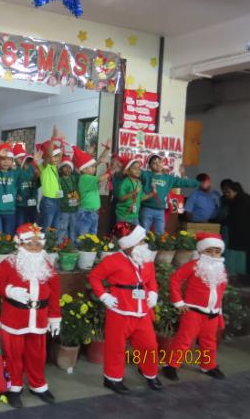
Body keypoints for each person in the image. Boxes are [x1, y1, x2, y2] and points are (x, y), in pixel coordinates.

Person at [0, 223, 61, 408]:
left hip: (39, 319)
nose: (35, 247)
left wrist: (55, 318)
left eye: (38, 243)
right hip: (14, 319)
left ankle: (38, 385)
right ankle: (13, 388)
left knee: (37, 355)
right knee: (12, 356)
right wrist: (10, 291)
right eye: (30, 243)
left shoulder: (47, 264)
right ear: (20, 244)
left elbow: (54, 293)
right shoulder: (9, 263)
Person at [89, 222, 162, 394]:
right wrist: (104, 296)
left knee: (149, 345)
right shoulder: (113, 260)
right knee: (116, 347)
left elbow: (151, 280)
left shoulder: (146, 260)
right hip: (119, 311)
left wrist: (153, 293)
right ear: (129, 244)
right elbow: (94, 277)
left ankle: (150, 373)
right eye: (141, 241)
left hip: (142, 311)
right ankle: (112, 379)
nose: (144, 245)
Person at [162, 233, 228, 381]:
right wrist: (178, 302)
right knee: (184, 340)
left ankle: (208, 366)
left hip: (212, 313)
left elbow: (220, 292)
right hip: (193, 312)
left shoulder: (221, 269)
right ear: (201, 251)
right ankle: (170, 365)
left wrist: (219, 312)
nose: (213, 254)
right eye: (209, 251)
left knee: (209, 342)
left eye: (217, 251)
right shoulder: (193, 265)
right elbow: (175, 280)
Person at [139, 156, 199, 234]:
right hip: (146, 209)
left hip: (160, 210)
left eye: (159, 162)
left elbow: (183, 182)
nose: (158, 165)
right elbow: (133, 172)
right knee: (143, 232)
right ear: (149, 166)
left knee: (160, 233)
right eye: (154, 163)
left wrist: (198, 183)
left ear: (162, 163)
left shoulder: (168, 179)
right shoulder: (146, 175)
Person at [73, 145, 110, 236]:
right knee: (83, 236)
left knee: (91, 236)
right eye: (92, 167)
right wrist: (110, 171)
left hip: (92, 211)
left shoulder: (88, 176)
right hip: (86, 212)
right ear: (84, 168)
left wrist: (106, 150)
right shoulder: (85, 177)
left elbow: (97, 162)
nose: (94, 168)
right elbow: (100, 177)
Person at [222, 182, 250, 275]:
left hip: (243, 232)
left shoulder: (241, 201)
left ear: (236, 191)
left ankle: (241, 276)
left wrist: (220, 221)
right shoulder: (240, 199)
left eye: (228, 192)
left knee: (243, 255)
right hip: (243, 232)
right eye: (225, 192)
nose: (226, 194)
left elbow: (235, 218)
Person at [115, 157, 153, 224]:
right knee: (123, 231)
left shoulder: (139, 183)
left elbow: (140, 198)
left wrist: (152, 193)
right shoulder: (125, 183)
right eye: (135, 168)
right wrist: (133, 193)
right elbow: (121, 198)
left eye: (139, 168)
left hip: (135, 215)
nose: (138, 171)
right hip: (123, 215)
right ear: (127, 171)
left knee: (136, 231)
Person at [37, 133, 63, 230]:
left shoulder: (54, 167)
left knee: (55, 226)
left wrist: (61, 143)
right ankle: (43, 240)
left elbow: (60, 156)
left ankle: (52, 241)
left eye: (57, 156)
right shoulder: (43, 167)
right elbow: (49, 155)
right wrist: (53, 139)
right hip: (48, 201)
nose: (56, 159)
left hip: (57, 199)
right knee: (46, 226)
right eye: (54, 156)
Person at [14, 145, 39, 227]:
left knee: (33, 227)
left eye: (24, 158)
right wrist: (16, 195)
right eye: (20, 158)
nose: (22, 160)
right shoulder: (15, 171)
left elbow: (38, 184)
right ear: (15, 159)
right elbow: (13, 186)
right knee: (20, 226)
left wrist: (37, 177)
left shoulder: (33, 169)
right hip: (20, 205)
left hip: (32, 203)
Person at [56, 155, 79, 243]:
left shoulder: (74, 178)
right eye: (65, 167)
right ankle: (61, 245)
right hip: (64, 210)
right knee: (62, 228)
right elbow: (59, 196)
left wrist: (76, 201)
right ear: (61, 169)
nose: (67, 169)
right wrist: (68, 202)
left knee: (74, 229)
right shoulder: (59, 180)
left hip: (74, 209)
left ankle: (73, 246)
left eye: (69, 167)